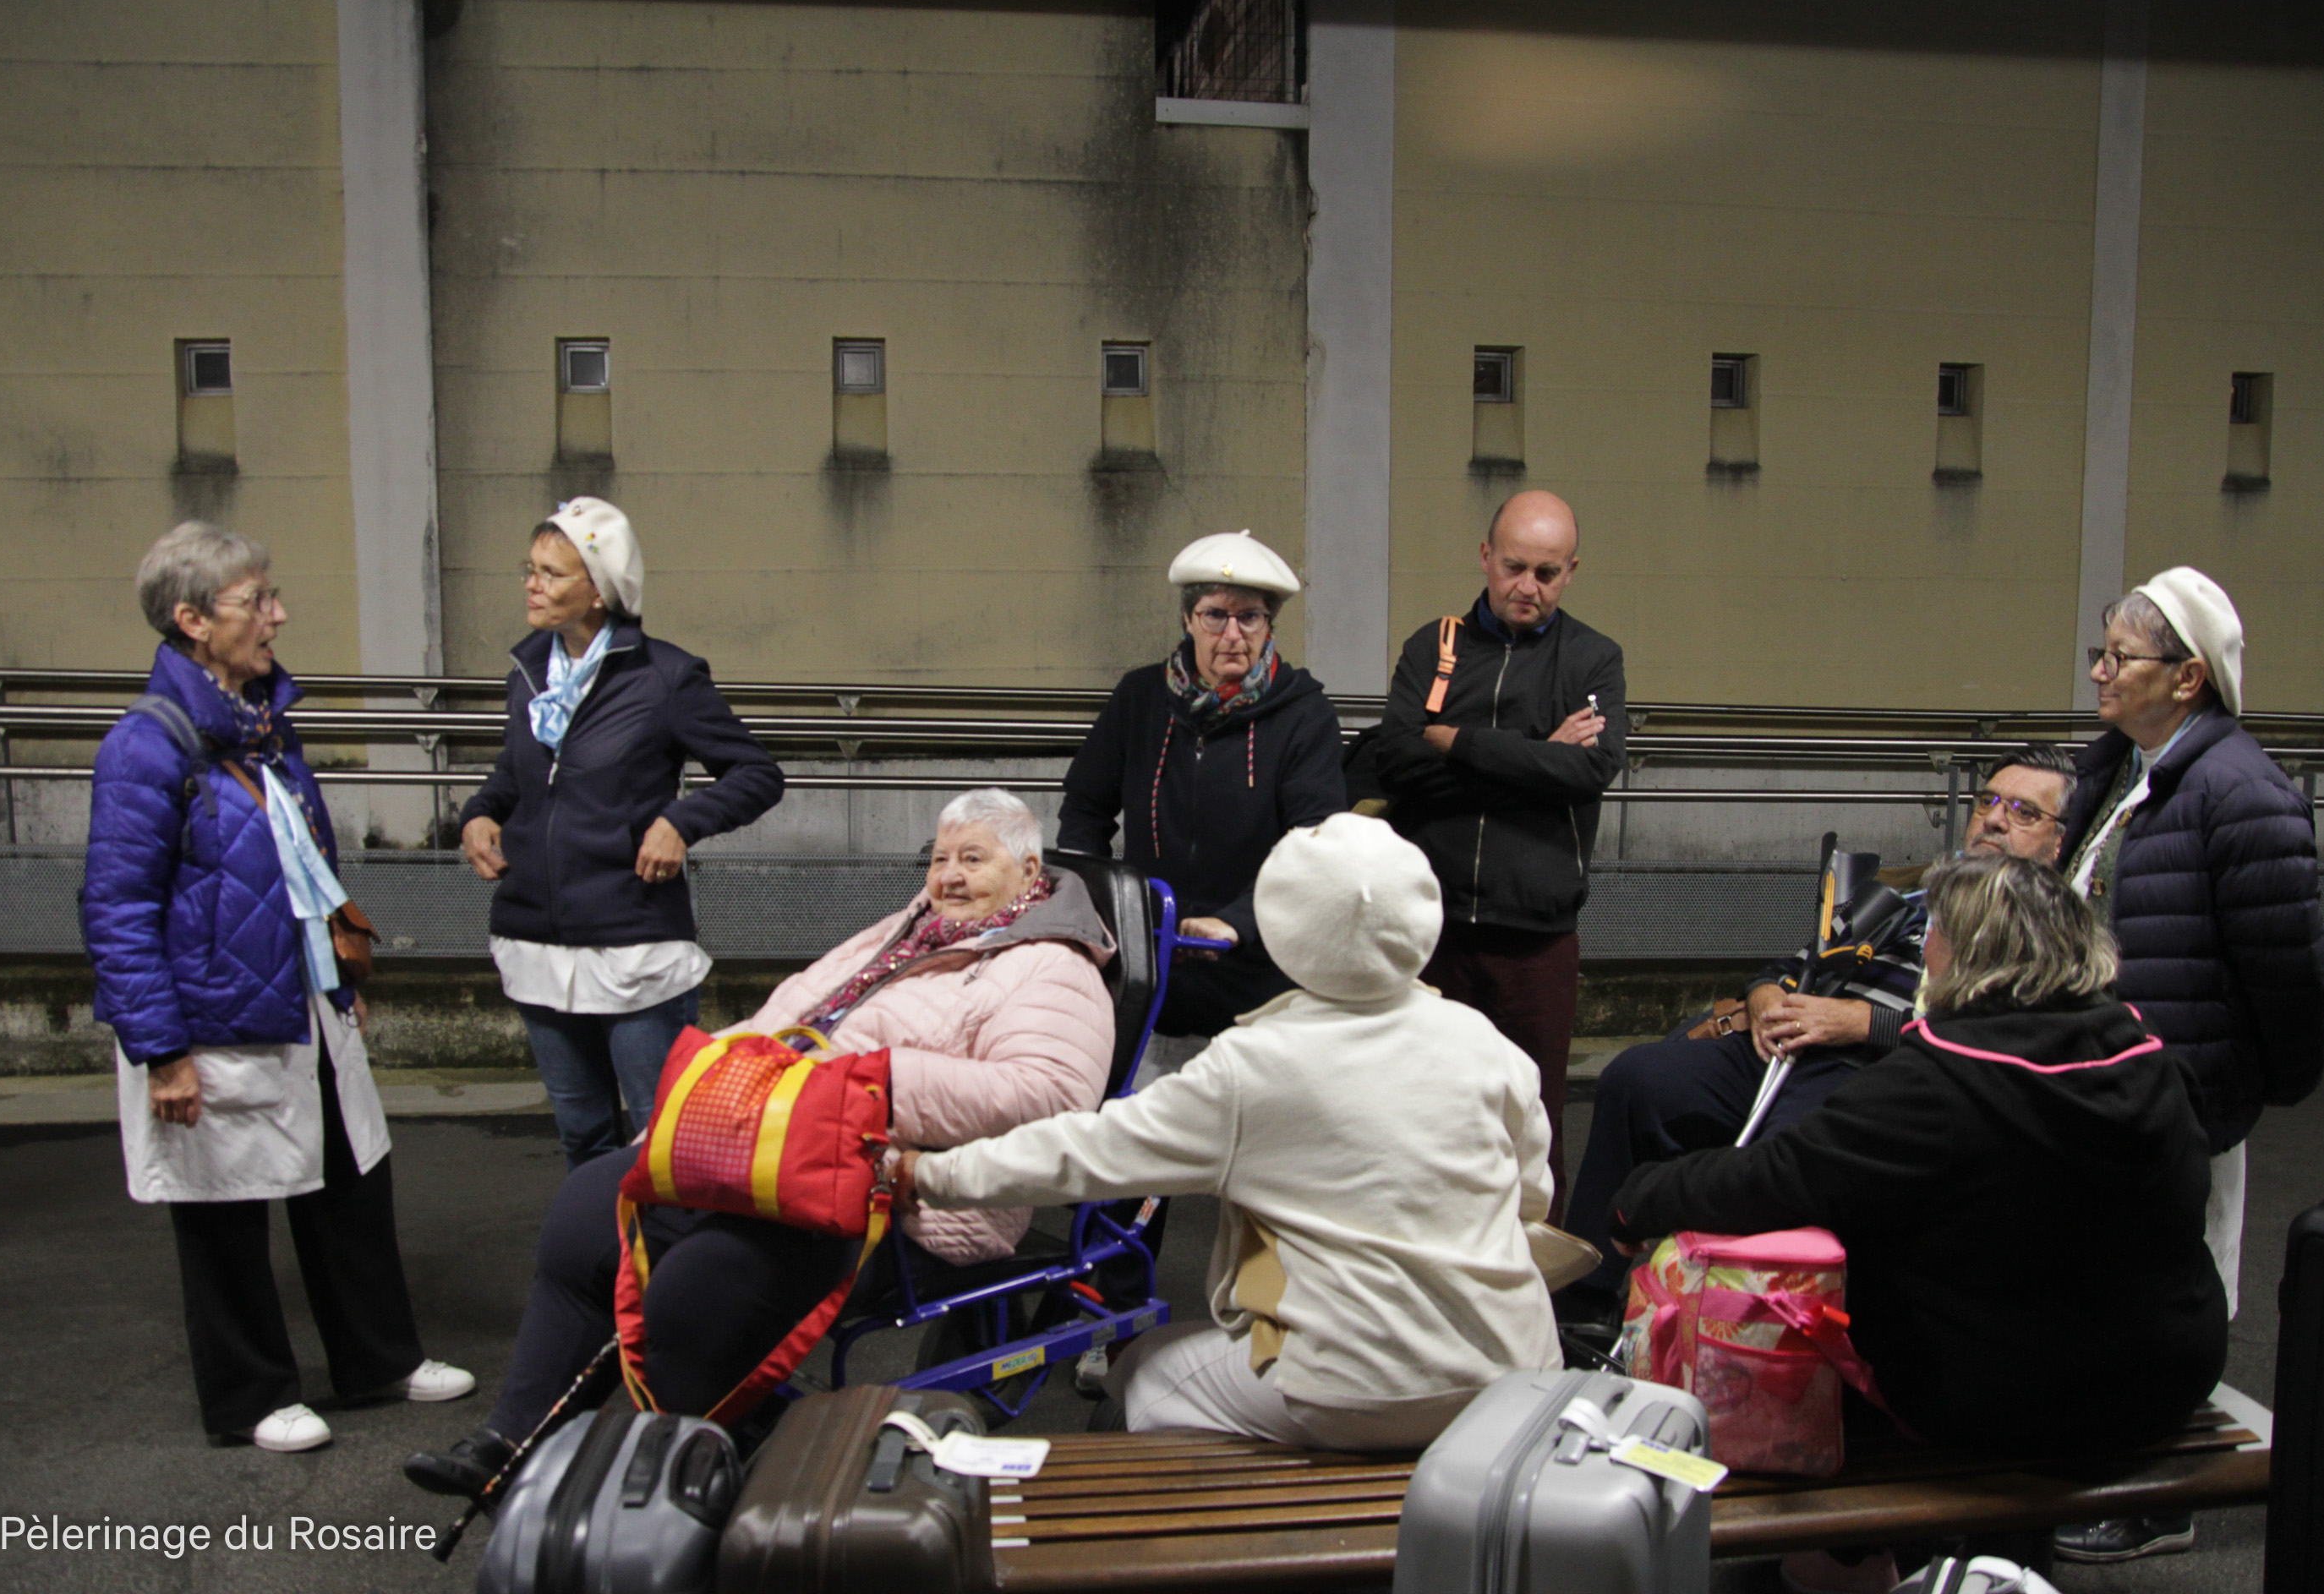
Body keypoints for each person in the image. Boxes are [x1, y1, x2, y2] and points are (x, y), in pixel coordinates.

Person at [406, 789, 1115, 1497]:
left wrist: (873, 1086)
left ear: (1029, 870)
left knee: (698, 1281)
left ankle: (673, 1491)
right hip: (776, 1141)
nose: (949, 876)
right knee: (590, 1209)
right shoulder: (909, 928)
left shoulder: (1054, 965)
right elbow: (785, 1019)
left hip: (894, 1189)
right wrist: (689, 1101)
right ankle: (512, 1440)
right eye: (939, 859)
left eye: (973, 859)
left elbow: (1051, 1094)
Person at [1609, 855, 2228, 1588]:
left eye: (1934, 933)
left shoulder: (1942, 1079)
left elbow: (1776, 1179)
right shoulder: (2147, 1054)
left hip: (2007, 1402)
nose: (1924, 949)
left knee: (1819, 1298)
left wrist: (1641, 1198)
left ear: (1967, 956)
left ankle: (1851, 1558)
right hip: (2165, 1379)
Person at [898, 813, 1568, 1451]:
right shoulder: (1487, 1043)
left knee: (1141, 1368)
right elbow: (1532, 1199)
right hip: (1517, 1375)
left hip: (1351, 1392)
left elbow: (1082, 1154)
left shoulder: (1254, 1065)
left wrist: (928, 1174)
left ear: (1284, 925)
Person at [84, 522, 471, 1453]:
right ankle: (250, 1394)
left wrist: (334, 980)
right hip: (211, 1018)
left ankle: (378, 1358)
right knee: (219, 1207)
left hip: (298, 999)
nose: (278, 615)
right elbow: (118, 909)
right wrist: (162, 1051)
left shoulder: (263, 727)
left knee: (349, 1181)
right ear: (192, 620)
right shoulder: (145, 747)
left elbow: (301, 869)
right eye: (257, 600)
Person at [1561, 743, 2078, 1324]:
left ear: (2059, 842)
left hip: (1881, 1071)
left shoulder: (2044, 924)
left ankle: (1734, 1329)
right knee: (1639, 1079)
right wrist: (1765, 993)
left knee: (1784, 1150)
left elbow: (1997, 1037)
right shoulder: (1910, 897)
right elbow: (1800, 962)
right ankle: (1584, 1303)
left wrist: (1865, 1023)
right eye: (1988, 801)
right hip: (1791, 1044)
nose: (1996, 819)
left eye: (2024, 812)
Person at [2052, 567, 2324, 1565]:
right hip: (2109, 1084)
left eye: (2120, 658)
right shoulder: (2125, 769)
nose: (2099, 672)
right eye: (2101, 652)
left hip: (2181, 1089)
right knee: (2116, 1287)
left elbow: (2289, 974)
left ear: (2188, 677)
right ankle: (2116, 1454)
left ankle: (2166, 1492)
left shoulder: (2241, 792)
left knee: (2181, 1289)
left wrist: (2246, 1087)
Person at [459, 499, 785, 1167]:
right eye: (530, 569)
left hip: (633, 942)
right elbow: (515, 774)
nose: (531, 585)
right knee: (582, 1138)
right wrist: (480, 812)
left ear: (600, 591)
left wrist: (679, 821)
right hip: (534, 938)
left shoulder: (666, 677)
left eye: (551, 573)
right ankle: (599, 1238)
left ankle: (661, 1242)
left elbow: (756, 774)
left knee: (660, 1141)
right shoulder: (528, 672)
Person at [1363, 489, 1623, 1219]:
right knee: (1422, 1115)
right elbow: (1396, 762)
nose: (1527, 587)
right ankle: (1422, 1263)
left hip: (1536, 938)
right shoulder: (1433, 647)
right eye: (1514, 567)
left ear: (1571, 572)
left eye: (1547, 573)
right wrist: (1536, 757)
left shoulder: (1594, 659)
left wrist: (1457, 741)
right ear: (1485, 557)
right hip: (1432, 931)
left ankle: (1536, 1274)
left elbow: (1588, 771)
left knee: (1532, 1124)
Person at [1058, 529, 1347, 1039]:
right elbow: (1084, 808)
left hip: (1260, 976)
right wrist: (1100, 907)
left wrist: (1240, 921)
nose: (1232, 634)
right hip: (1147, 964)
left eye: (1250, 617)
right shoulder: (1140, 698)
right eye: (1215, 615)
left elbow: (1315, 841)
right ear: (1189, 620)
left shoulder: (1304, 713)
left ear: (1269, 625)